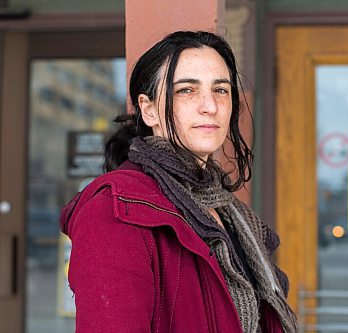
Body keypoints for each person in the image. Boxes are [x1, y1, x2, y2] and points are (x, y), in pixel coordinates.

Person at [59, 31, 297, 333]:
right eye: (186, 90)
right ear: (148, 109)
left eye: (221, 90)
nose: (210, 106)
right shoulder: (115, 209)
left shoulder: (228, 211)